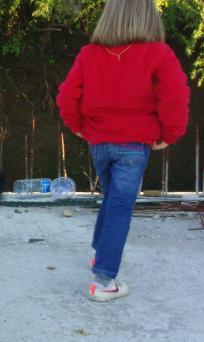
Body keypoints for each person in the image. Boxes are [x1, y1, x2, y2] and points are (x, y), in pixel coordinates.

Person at [56, 0, 190, 302]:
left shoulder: (89, 54)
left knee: (111, 199)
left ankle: (98, 253)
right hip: (134, 146)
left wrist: (78, 126)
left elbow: (67, 96)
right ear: (148, 17)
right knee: (119, 208)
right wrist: (170, 135)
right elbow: (175, 97)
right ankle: (104, 281)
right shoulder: (159, 54)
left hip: (99, 145)